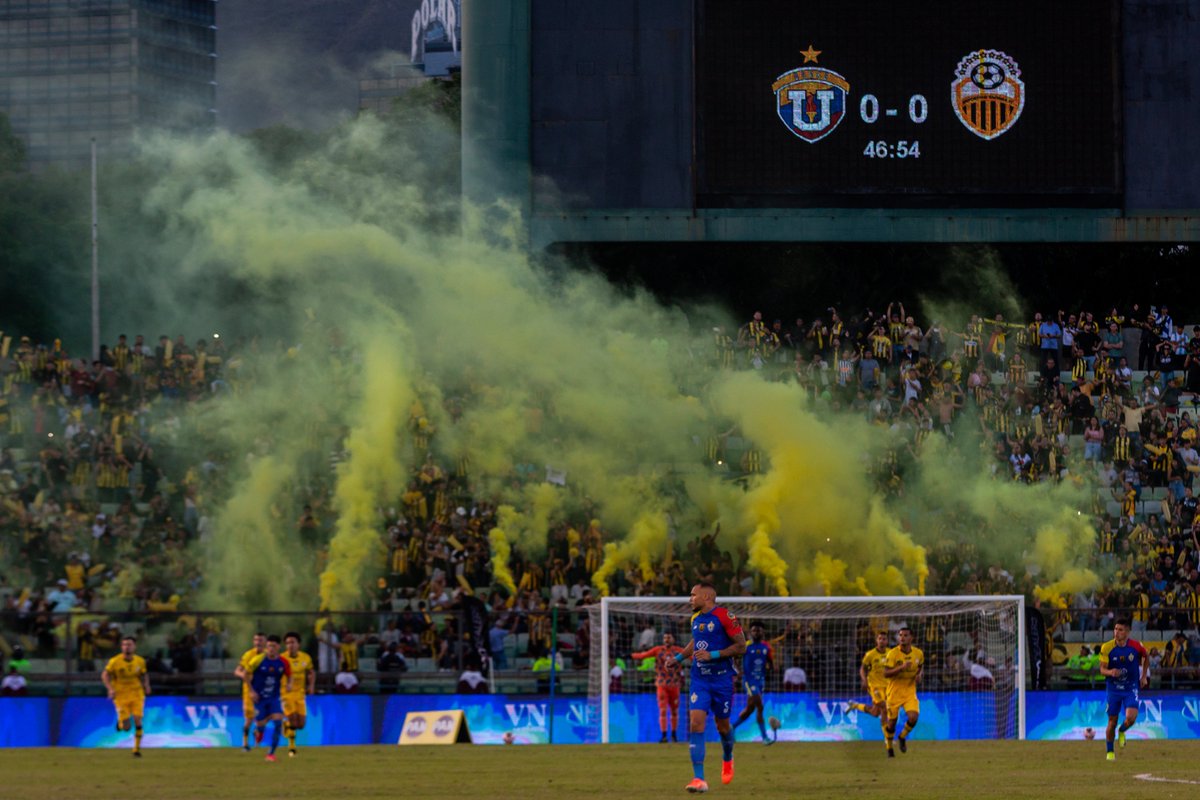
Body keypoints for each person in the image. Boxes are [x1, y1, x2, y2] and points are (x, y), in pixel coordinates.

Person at [673, 581, 747, 793]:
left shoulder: (725, 616)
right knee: (696, 724)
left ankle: (727, 757)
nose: (690, 599)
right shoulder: (695, 618)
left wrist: (713, 655)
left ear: (706, 597)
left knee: (723, 727)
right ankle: (699, 779)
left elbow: (741, 646)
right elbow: (696, 641)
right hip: (700, 680)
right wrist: (678, 658)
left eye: (693, 595)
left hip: (722, 681)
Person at [1098, 618, 1149, 761]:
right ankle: (1110, 752)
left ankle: (1122, 731)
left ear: (1127, 632)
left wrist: (1144, 675)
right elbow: (1102, 669)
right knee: (1111, 721)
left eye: (1120, 630)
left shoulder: (1136, 646)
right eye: (1115, 629)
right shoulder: (1107, 647)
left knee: (1131, 718)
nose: (1116, 632)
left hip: (1130, 687)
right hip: (1113, 689)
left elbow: (1146, 656)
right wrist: (1110, 672)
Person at [237, 634, 292, 763]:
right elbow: (245, 674)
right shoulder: (258, 660)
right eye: (269, 646)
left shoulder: (283, 662)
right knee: (261, 724)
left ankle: (271, 754)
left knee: (278, 723)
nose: (271, 649)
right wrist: (251, 691)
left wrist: (289, 683)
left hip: (274, 697)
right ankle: (259, 730)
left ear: (278, 647)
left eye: (273, 646)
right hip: (259, 698)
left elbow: (290, 675)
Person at [631, 631, 686, 743]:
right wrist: (631, 655)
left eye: (669, 637)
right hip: (661, 684)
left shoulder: (679, 651)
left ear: (673, 639)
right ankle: (664, 736)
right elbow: (643, 655)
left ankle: (674, 735)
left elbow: (692, 656)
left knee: (675, 711)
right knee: (663, 710)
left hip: (675, 685)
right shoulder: (657, 650)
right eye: (665, 637)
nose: (666, 640)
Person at [101, 635, 151, 757]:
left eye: (129, 644)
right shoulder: (115, 661)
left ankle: (136, 750)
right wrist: (110, 689)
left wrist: (146, 685)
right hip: (121, 695)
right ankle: (121, 723)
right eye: (124, 645)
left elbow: (144, 674)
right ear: (121, 647)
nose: (126, 647)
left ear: (134, 647)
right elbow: (105, 675)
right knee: (127, 727)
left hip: (136, 693)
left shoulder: (140, 661)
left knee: (138, 720)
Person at [882, 626, 924, 758]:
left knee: (914, 717)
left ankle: (902, 737)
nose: (902, 638)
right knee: (891, 723)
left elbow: (921, 666)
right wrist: (901, 667)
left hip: (909, 691)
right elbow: (886, 673)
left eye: (905, 635)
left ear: (911, 638)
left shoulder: (918, 653)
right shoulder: (893, 654)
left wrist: (919, 675)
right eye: (900, 635)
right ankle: (889, 748)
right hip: (894, 692)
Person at [731, 623, 775, 745]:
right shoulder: (746, 646)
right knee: (760, 706)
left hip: (760, 681)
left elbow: (771, 663)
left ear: (762, 633)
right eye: (754, 631)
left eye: (758, 631)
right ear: (750, 633)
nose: (756, 633)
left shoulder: (766, 647)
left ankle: (732, 728)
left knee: (750, 709)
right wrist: (739, 672)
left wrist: (769, 669)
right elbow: (734, 659)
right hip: (749, 681)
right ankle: (765, 738)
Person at [848, 631, 891, 741]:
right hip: (874, 686)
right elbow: (862, 668)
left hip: (887, 686)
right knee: (884, 708)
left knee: (875, 713)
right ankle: (888, 738)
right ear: (876, 640)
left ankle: (855, 705)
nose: (882, 641)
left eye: (884, 639)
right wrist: (864, 680)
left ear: (887, 641)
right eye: (880, 638)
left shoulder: (891, 653)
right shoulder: (870, 654)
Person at [280, 631, 315, 758]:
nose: (290, 645)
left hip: (300, 694)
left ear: (298, 644)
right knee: (293, 721)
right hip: (286, 694)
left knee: (301, 725)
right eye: (288, 643)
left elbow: (311, 672)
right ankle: (292, 747)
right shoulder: (282, 659)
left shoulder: (305, 658)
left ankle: (285, 725)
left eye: (293, 642)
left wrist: (311, 686)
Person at [234, 632, 266, 751]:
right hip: (249, 691)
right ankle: (245, 744)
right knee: (248, 719)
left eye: (261, 640)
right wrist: (245, 676)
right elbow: (237, 671)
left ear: (265, 642)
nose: (258, 643)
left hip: (263, 691)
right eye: (256, 640)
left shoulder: (268, 656)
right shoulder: (248, 655)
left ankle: (257, 738)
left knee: (261, 719)